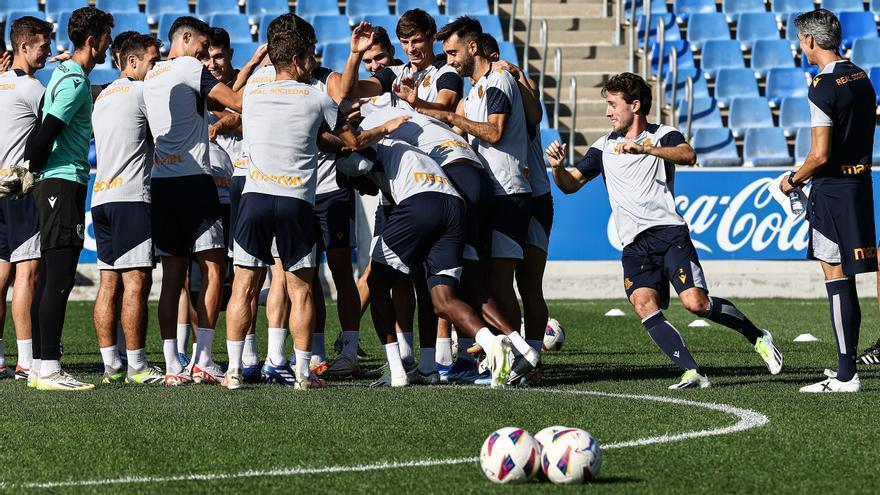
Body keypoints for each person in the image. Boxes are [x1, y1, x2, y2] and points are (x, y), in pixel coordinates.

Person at [547, 72, 783, 390]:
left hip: (668, 233)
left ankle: (757, 336)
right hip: (633, 243)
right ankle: (691, 371)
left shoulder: (664, 135)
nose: (607, 113)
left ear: (636, 105)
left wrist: (646, 150)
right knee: (644, 303)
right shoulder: (602, 148)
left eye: (613, 105)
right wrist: (558, 168)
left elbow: (689, 155)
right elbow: (570, 186)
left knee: (696, 304)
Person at [336, 138, 518, 388]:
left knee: (377, 282)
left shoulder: (370, 147)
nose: (362, 191)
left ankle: (397, 370)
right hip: (454, 205)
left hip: (420, 202)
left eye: (357, 186)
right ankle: (485, 345)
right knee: (439, 296)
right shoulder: (408, 149)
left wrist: (346, 170)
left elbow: (360, 162)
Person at [422, 17, 540, 381]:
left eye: (454, 52)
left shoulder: (499, 80)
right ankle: (499, 354)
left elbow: (494, 131)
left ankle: (520, 358)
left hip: (509, 191)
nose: (450, 60)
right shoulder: (476, 89)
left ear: (473, 47)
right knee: (484, 278)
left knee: (503, 280)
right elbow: (460, 129)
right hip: (490, 193)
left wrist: (443, 114)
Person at [5, 6, 115, 391]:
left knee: (53, 277)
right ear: (92, 40)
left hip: (57, 184)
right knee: (58, 279)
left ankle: (38, 366)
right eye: (106, 37)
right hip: (61, 185)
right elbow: (45, 133)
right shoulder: (72, 81)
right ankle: (49, 367)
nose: (109, 45)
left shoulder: (67, 74)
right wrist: (25, 175)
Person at [142, 16, 242, 386]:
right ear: (185, 38)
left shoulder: (151, 75)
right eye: (202, 46)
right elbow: (234, 101)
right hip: (195, 182)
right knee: (214, 270)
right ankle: (202, 358)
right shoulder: (186, 66)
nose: (204, 55)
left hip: (162, 183)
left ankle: (171, 365)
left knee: (172, 279)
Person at [781, 10, 877, 393]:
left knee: (835, 276)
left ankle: (846, 374)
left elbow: (819, 155)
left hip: (833, 188)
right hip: (860, 184)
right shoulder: (860, 74)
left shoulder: (822, 85)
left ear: (809, 41)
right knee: (848, 277)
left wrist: (793, 179)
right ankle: (846, 367)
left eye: (800, 40)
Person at [91, 33, 164, 385]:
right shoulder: (141, 92)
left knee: (108, 283)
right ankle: (136, 365)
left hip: (101, 196)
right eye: (152, 62)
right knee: (136, 283)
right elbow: (164, 137)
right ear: (132, 62)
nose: (156, 69)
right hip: (132, 197)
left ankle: (110, 364)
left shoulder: (103, 94)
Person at [0, 16, 52, 381]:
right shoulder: (30, 87)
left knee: (0, 274)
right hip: (19, 186)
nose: (47, 50)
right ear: (23, 47)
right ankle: (27, 360)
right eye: (42, 45)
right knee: (27, 273)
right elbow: (58, 122)